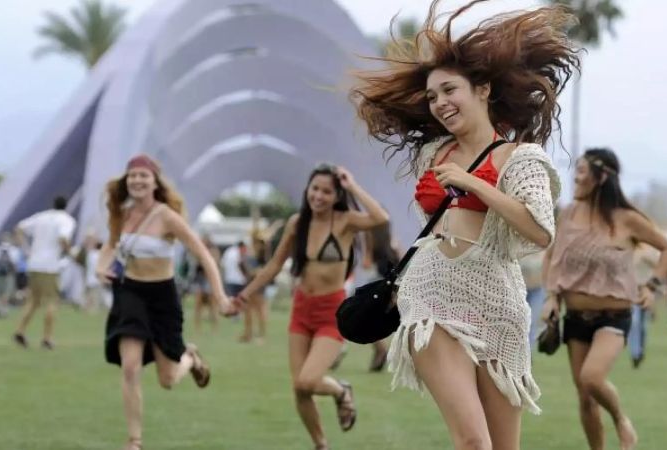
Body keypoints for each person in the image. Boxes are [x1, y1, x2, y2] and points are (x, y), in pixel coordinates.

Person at [351, 3, 579, 448]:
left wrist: (476, 183)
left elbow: (540, 230)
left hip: (499, 304)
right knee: (474, 442)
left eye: (448, 90)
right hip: (431, 297)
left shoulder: (521, 158)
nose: (439, 104)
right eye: (432, 97)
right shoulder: (432, 154)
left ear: (483, 89)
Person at [236, 164, 388, 450]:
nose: (318, 196)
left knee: (307, 381)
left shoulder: (345, 221)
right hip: (301, 310)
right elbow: (273, 266)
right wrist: (243, 296)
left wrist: (352, 184)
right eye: (314, 189)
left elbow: (380, 218)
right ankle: (321, 444)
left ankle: (340, 389)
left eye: (327, 191)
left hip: (331, 312)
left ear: (336, 195)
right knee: (300, 389)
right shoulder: (297, 223)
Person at [95, 154, 238, 450]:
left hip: (162, 297)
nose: (137, 180)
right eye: (132, 175)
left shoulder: (168, 217)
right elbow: (110, 244)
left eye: (143, 176)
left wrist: (220, 296)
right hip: (130, 293)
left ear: (154, 182)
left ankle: (190, 357)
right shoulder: (121, 215)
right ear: (127, 180)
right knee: (130, 367)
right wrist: (101, 266)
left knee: (168, 379)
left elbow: (204, 256)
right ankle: (134, 441)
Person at [542, 149, 667, 450]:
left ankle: (620, 420)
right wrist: (552, 297)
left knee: (591, 378)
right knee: (585, 398)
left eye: (583, 170)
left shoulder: (626, 219)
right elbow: (553, 257)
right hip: (575, 317)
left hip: (613, 316)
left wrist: (651, 286)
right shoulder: (569, 213)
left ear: (602, 177)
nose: (576, 176)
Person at [13, 195, 76, 349]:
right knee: (51, 301)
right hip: (50, 265)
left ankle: (20, 331)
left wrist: (26, 249)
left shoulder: (42, 216)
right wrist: (70, 252)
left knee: (33, 301)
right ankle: (47, 338)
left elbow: (19, 228)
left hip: (34, 262)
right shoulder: (66, 220)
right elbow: (63, 238)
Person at [353, 221, 401, 371]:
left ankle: (380, 349)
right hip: (392, 284)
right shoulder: (389, 236)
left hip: (376, 283)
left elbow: (366, 263)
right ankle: (381, 351)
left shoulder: (369, 235)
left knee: (362, 320)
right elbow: (402, 256)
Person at [239, 235, 269, 343]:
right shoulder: (249, 256)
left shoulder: (262, 257)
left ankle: (262, 336)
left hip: (259, 287)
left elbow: (260, 272)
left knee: (260, 311)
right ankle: (248, 334)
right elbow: (247, 271)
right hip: (249, 285)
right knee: (247, 311)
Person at [0, 232, 22, 317]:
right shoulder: (14, 249)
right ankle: (1, 308)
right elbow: (16, 262)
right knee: (7, 292)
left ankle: (0, 308)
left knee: (0, 292)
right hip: (9, 274)